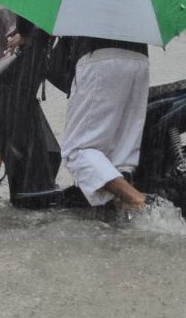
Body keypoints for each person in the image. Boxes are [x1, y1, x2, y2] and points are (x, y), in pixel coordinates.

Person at [10, 18, 150, 211]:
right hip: (139, 58)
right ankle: (126, 219)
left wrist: (24, 33)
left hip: (100, 57)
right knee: (119, 156)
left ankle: (137, 201)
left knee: (77, 152)